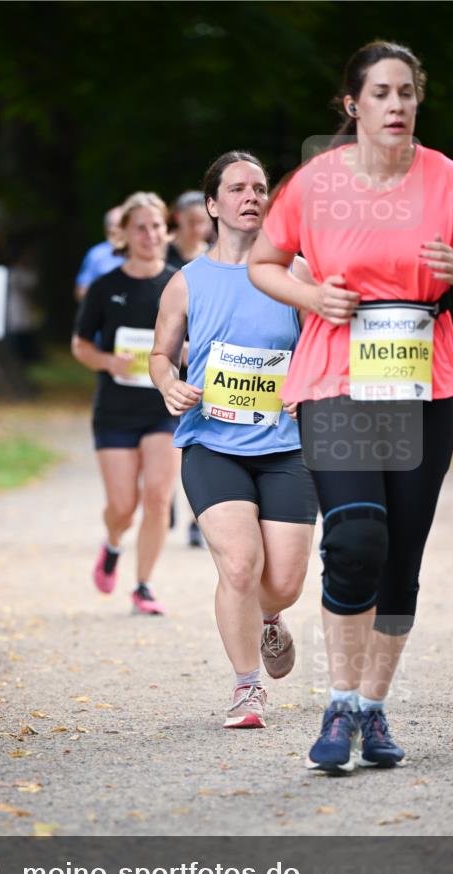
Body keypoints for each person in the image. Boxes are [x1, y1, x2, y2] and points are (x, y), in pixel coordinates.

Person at [248, 40, 453, 771]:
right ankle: (335, 703)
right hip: (335, 375)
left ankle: (372, 708)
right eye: (381, 93)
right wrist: (311, 295)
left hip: (423, 383)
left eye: (407, 93)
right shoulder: (314, 183)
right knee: (354, 540)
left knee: (400, 560)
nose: (396, 105)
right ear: (351, 105)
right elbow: (264, 264)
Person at [150, 151, 318, 729]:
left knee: (285, 583)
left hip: (287, 444)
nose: (252, 196)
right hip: (212, 444)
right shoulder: (187, 282)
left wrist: (307, 387)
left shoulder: (295, 274)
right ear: (213, 205)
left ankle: (270, 618)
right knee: (240, 567)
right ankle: (248, 688)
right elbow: (159, 355)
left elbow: (321, 346)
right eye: (239, 188)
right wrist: (169, 383)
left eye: (260, 187)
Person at [71, 192, 179, 614]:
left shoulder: (180, 282)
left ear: (166, 231)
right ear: (124, 234)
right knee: (123, 506)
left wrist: (185, 352)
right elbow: (79, 345)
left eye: (156, 226)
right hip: (115, 410)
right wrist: (106, 360)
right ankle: (113, 543)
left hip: (163, 407)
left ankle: (144, 586)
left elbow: (201, 339)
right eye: (141, 227)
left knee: (157, 497)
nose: (150, 234)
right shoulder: (105, 287)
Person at [166, 191, 213, 548]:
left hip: (204, 369)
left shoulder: (214, 259)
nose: (199, 228)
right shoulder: (163, 257)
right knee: (167, 444)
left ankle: (198, 517)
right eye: (192, 221)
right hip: (167, 364)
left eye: (203, 221)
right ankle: (164, 495)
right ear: (178, 218)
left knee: (197, 443)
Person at [74, 206, 125, 302]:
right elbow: (81, 291)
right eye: (120, 225)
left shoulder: (140, 250)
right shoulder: (96, 254)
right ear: (108, 229)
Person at [166, 190, 212, 270]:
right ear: (177, 217)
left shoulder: (217, 255)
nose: (196, 229)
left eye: (201, 221)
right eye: (191, 221)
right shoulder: (162, 253)